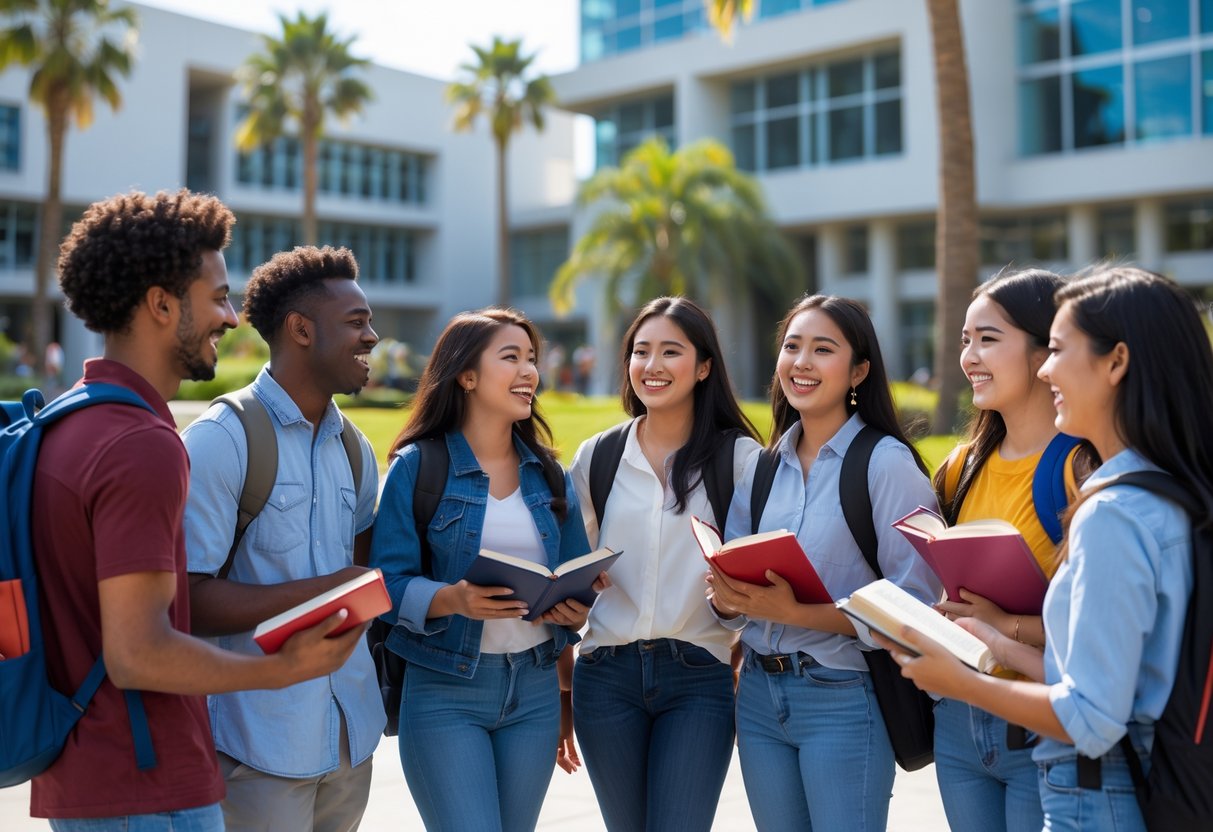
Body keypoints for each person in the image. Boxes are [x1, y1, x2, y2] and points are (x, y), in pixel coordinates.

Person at [30, 190, 364, 831]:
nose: (232, 318)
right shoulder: (141, 445)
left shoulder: (67, 422)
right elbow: (139, 652)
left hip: (88, 774)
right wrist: (281, 671)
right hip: (146, 782)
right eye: (216, 297)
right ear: (162, 303)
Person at [883, 267, 1208, 831]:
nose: (1047, 367)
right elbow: (1114, 684)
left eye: (1057, 349)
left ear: (1116, 362)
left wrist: (964, 683)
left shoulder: (1111, 511)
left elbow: (1091, 719)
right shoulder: (1173, 488)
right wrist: (996, 640)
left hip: (1095, 793)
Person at [706, 294, 942, 832]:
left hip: (842, 696)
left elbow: (918, 608)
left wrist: (797, 613)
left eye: (822, 349)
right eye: (792, 347)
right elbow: (735, 584)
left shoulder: (887, 465)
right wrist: (723, 596)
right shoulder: (764, 466)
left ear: (859, 370)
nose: (801, 363)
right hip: (761, 700)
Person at [369, 308, 604, 832]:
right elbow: (386, 582)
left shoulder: (550, 474)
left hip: (535, 691)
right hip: (444, 691)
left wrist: (572, 605)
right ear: (467, 375)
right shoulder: (417, 466)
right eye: (511, 357)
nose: (530, 372)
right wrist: (452, 599)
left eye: (532, 359)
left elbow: (569, 587)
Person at [182, 246, 384, 832]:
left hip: (351, 737)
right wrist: (325, 589)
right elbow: (189, 600)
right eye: (356, 322)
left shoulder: (356, 449)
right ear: (300, 329)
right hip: (258, 747)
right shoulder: (223, 439)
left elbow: (362, 579)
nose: (371, 337)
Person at [565, 297, 761, 831]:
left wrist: (728, 603)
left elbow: (755, 587)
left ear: (703, 368)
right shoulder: (597, 457)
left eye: (670, 352)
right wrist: (580, 582)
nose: (651, 366)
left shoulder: (740, 461)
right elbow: (564, 570)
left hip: (698, 677)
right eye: (640, 351)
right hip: (605, 676)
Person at [930, 269, 1097, 832]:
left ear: (1042, 349)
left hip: (1042, 724)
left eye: (988, 339)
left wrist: (1007, 625)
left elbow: (1101, 633)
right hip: (958, 723)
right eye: (965, 341)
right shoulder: (958, 468)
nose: (969, 357)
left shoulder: (1081, 471)